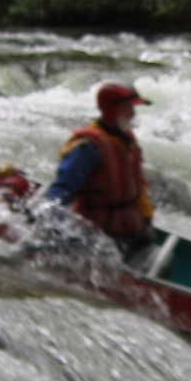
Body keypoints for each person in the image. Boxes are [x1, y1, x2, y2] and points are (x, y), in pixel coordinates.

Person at [41, 81, 157, 259]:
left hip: (132, 230)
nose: (133, 114)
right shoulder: (88, 148)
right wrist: (50, 227)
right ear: (113, 110)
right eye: (128, 108)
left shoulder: (124, 139)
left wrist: (146, 218)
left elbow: (139, 186)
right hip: (101, 237)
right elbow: (62, 190)